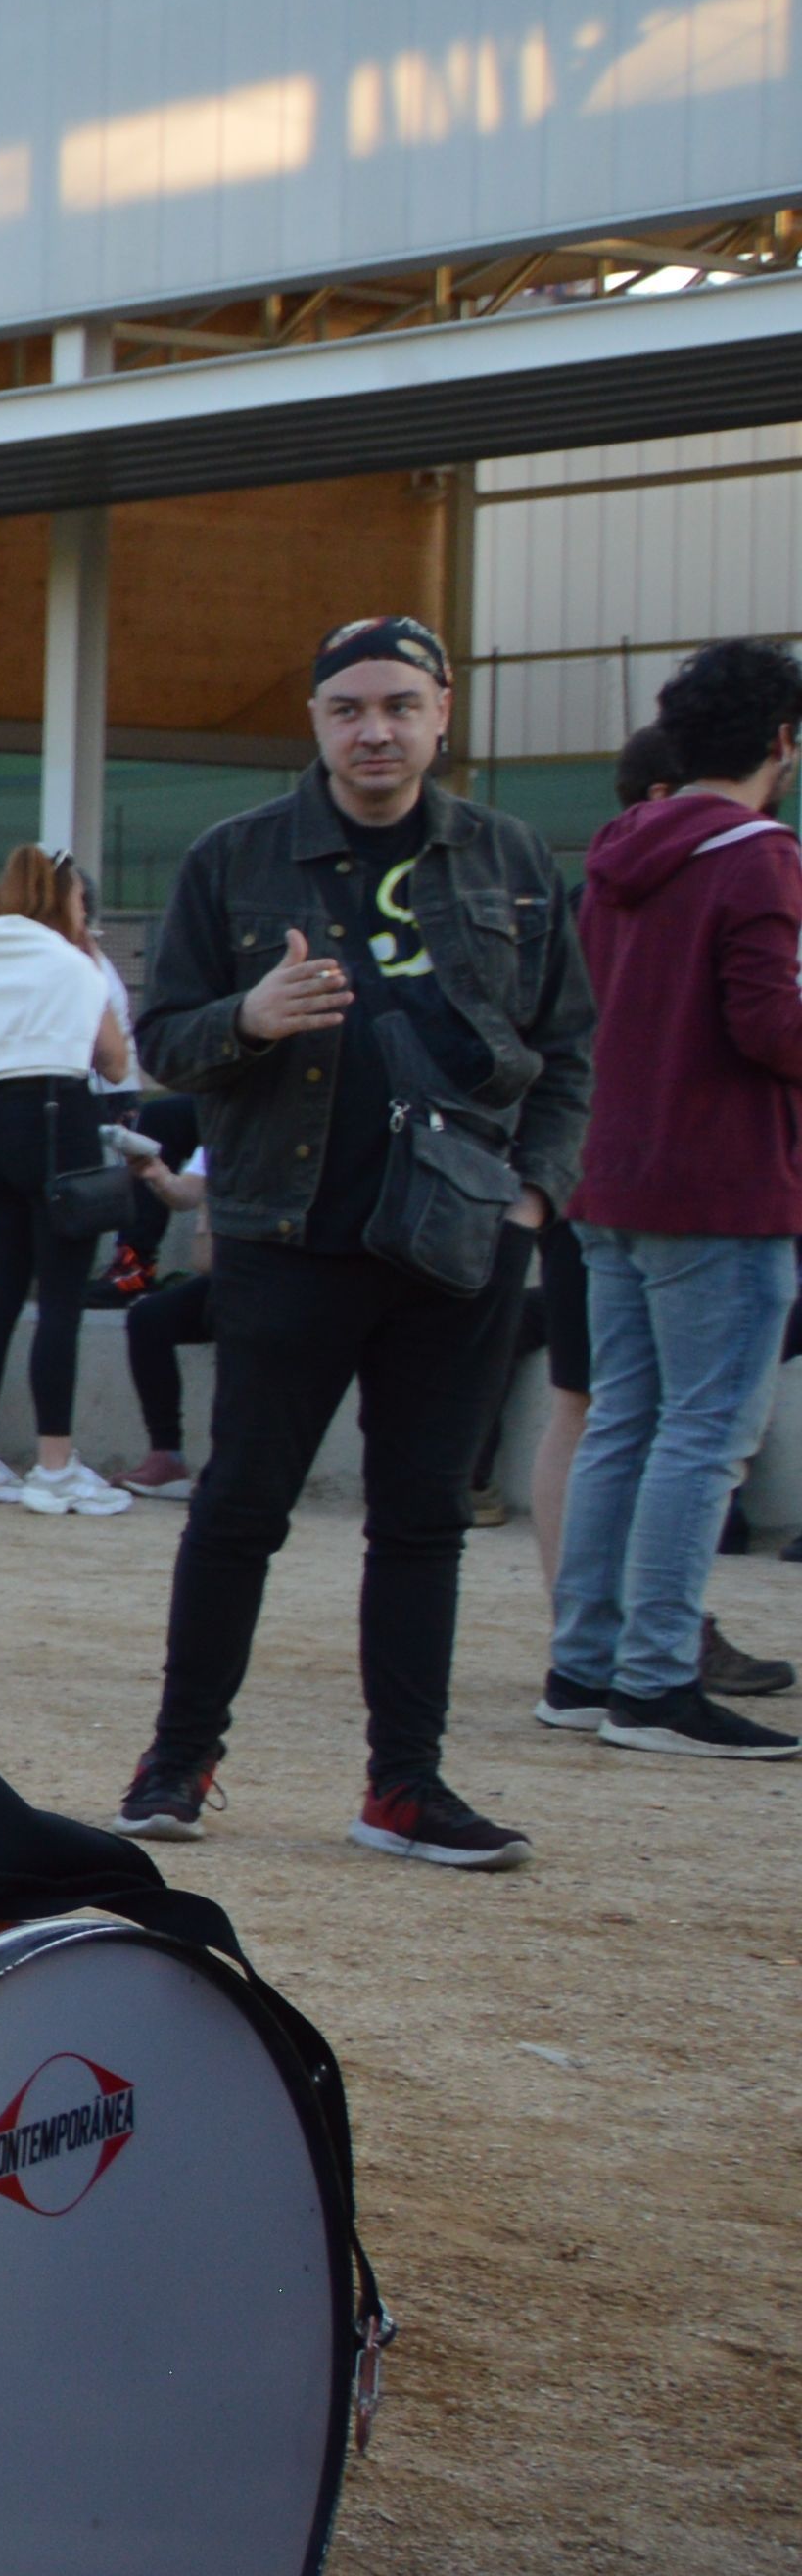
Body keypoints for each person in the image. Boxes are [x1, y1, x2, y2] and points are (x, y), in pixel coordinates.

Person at [118, 614, 594, 1868]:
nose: (373, 730)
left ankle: (404, 1787)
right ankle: (176, 1762)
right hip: (285, 1229)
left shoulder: (512, 858)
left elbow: (568, 1051)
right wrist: (251, 1016)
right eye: (347, 709)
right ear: (317, 723)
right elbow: (160, 1038)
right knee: (238, 1506)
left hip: (460, 1242)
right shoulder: (236, 855)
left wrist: (531, 1198)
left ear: (442, 713)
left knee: (424, 1516)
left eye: (398, 705)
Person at [541, 637, 802, 1756]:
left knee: (623, 1426)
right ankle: (652, 1680)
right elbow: (768, 1026)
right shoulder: (761, 858)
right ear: (781, 743)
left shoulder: (615, 851)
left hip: (610, 1172)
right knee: (703, 1438)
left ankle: (583, 1665)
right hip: (723, 1183)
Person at [0, 846, 141, 1517]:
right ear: (60, 901)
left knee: (1, 1297)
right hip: (58, 1119)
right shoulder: (71, 963)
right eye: (80, 901)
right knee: (61, 1301)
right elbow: (112, 1059)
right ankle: (54, 1465)